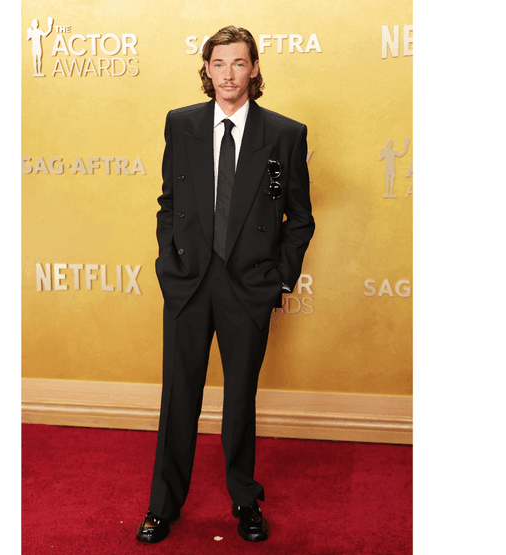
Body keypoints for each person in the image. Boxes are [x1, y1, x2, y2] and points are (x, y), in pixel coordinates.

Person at [135, 25, 314, 544]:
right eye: (219, 64)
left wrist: (279, 277)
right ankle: (162, 507)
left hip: (248, 286)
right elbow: (169, 202)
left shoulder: (284, 134)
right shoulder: (181, 124)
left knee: (240, 400)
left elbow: (299, 217)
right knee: (179, 397)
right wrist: (169, 264)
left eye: (239, 63)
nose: (228, 74)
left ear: (254, 69)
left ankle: (245, 501)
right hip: (189, 283)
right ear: (206, 69)